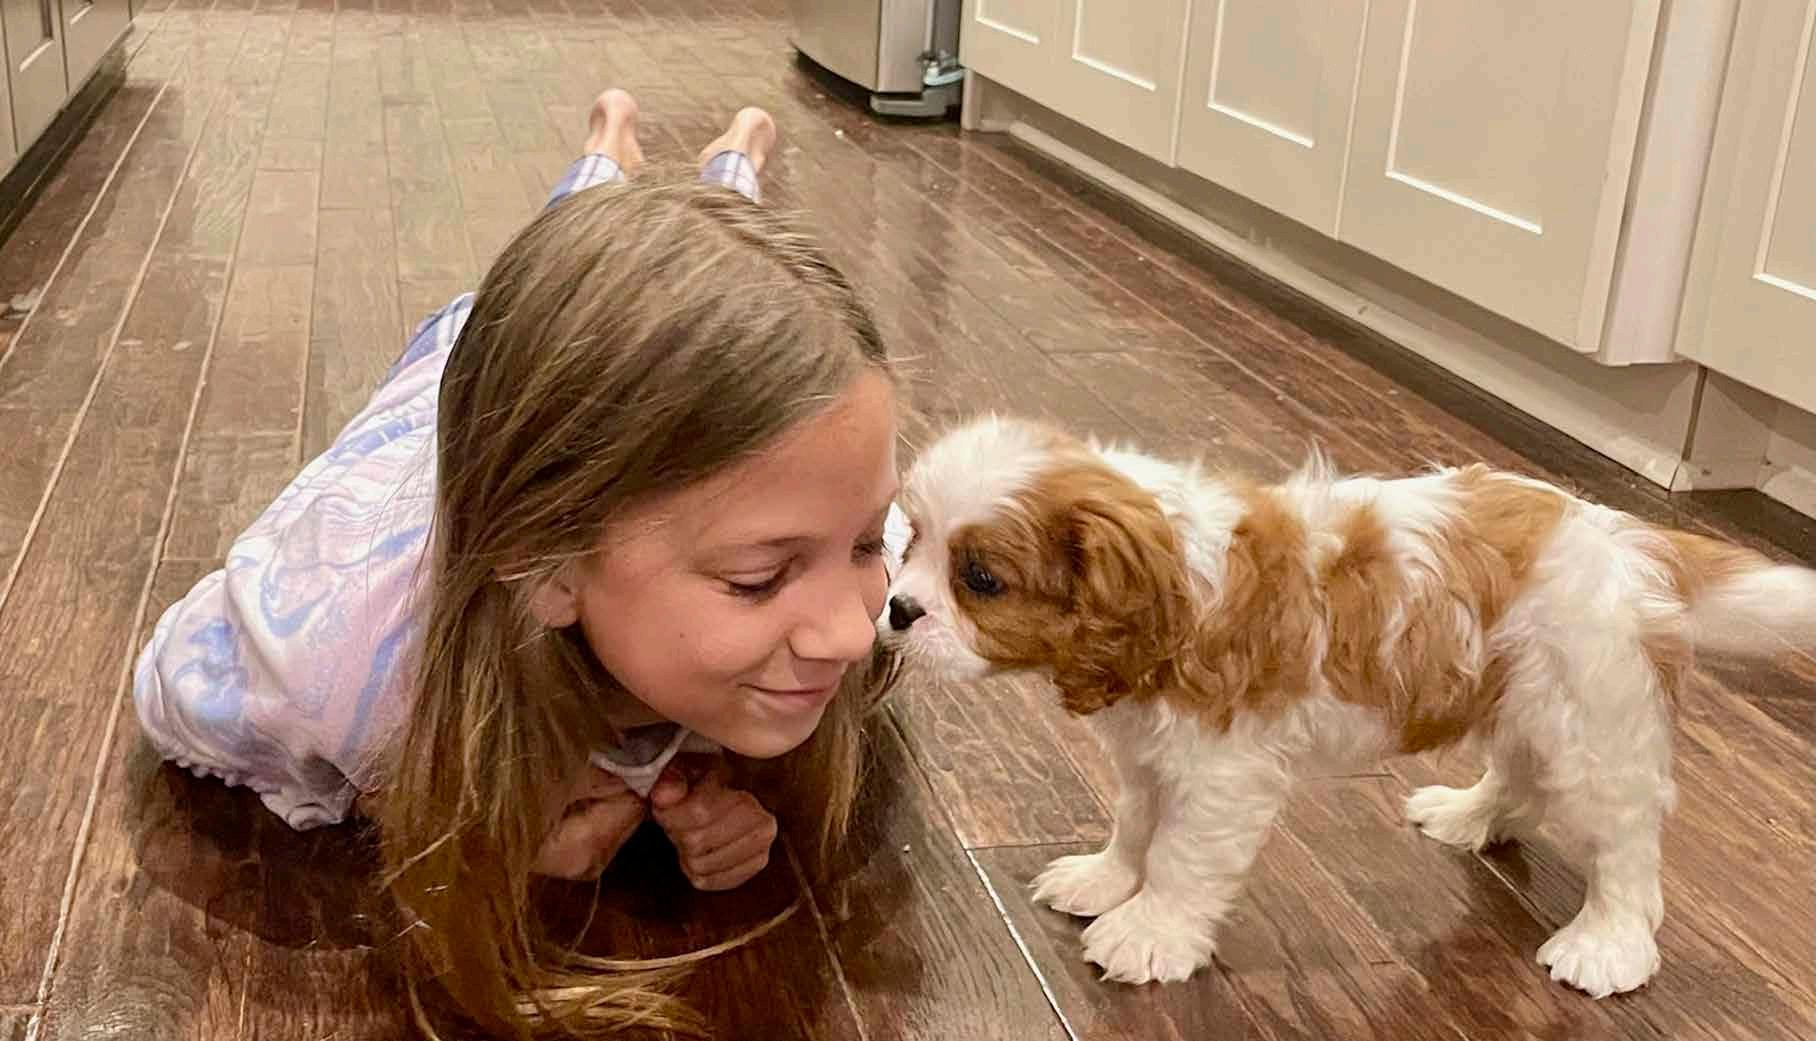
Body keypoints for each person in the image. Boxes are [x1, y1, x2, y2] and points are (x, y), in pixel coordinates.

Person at [132, 88, 909, 1040]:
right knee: (564, 272)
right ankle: (609, 144)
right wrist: (429, 805)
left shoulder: (817, 501)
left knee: (712, 282)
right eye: (758, 579)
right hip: (431, 414)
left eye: (866, 542)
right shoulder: (330, 659)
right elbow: (170, 682)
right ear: (547, 565)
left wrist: (719, 777)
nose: (853, 632)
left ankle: (730, 161)